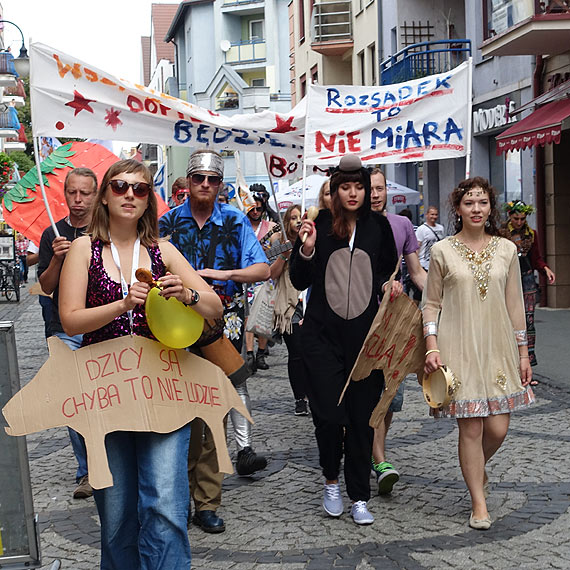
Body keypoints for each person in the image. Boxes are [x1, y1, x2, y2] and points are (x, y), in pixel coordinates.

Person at [59, 158, 222, 569]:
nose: (130, 194)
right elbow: (70, 319)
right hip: (104, 394)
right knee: (116, 517)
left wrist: (185, 294)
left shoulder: (162, 250)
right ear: (106, 195)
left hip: (163, 392)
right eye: (121, 186)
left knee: (166, 508)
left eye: (141, 188)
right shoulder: (84, 248)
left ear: (150, 199)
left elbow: (215, 306)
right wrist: (120, 304)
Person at [159, 149, 270, 533]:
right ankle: (176, 498)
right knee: (176, 416)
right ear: (187, 183)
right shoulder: (167, 223)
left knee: (213, 414)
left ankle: (206, 501)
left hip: (223, 328)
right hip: (172, 331)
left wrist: (218, 273)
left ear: (220, 185)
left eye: (212, 179)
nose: (205, 185)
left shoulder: (237, 222)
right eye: (198, 178)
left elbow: (262, 268)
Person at [289, 155, 398, 525]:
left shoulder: (378, 228)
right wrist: (306, 249)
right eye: (345, 187)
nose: (353, 193)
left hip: (366, 342)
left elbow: (385, 272)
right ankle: (331, 481)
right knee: (329, 417)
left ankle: (359, 496)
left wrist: (390, 285)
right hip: (322, 338)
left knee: (361, 418)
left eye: (359, 186)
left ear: (367, 190)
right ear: (334, 191)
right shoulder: (318, 223)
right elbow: (300, 280)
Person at [422, 176, 535, 530]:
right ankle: (478, 502)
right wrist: (432, 347)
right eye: (469, 202)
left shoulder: (506, 250)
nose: (476, 208)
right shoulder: (442, 251)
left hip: (499, 346)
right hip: (458, 348)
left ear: (490, 207)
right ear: (458, 208)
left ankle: (476, 470)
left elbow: (515, 303)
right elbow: (430, 305)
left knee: (498, 428)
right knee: (470, 428)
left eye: (482, 202)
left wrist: (523, 352)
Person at [38, 167, 98, 499]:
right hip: (63, 327)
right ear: (64, 194)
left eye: (84, 193)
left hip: (100, 324)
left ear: (95, 194)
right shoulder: (53, 234)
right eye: (72, 193)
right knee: (74, 401)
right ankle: (87, 470)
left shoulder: (104, 229)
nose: (77, 200)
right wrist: (58, 260)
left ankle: (109, 461)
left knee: (104, 398)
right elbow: (46, 286)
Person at [369, 168, 427, 495]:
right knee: (369, 392)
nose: (376, 194)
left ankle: (378, 453)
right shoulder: (355, 225)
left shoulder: (402, 225)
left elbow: (416, 272)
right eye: (371, 189)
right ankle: (377, 457)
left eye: (380, 188)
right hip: (363, 322)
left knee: (391, 395)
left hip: (396, 322)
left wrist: (439, 292)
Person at [501, 200, 555, 374]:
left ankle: (528, 366)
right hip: (506, 280)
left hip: (527, 279)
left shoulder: (531, 234)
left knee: (528, 323)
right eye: (516, 218)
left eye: (522, 218)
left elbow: (536, 257)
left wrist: (545, 269)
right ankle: (508, 364)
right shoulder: (501, 234)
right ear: (510, 216)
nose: (519, 222)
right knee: (507, 320)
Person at [269, 204, 309, 416]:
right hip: (289, 307)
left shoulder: (313, 243)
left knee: (311, 352)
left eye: (300, 217)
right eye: (293, 218)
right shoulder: (282, 245)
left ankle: (312, 390)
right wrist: (284, 255)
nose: (297, 221)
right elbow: (270, 273)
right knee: (296, 353)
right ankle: (299, 398)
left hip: (310, 303)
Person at [244, 193, 277, 372]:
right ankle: (249, 353)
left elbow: (280, 248)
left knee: (264, 313)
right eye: (252, 208)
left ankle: (261, 353)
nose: (255, 212)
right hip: (248, 276)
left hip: (266, 276)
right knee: (249, 315)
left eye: (259, 208)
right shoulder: (242, 225)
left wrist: (271, 248)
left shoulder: (271, 227)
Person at [416, 205, 445, 271]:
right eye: (432, 214)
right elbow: (418, 246)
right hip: (425, 264)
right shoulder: (421, 229)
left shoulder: (441, 228)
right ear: (427, 215)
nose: (434, 217)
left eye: (436, 214)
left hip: (438, 262)